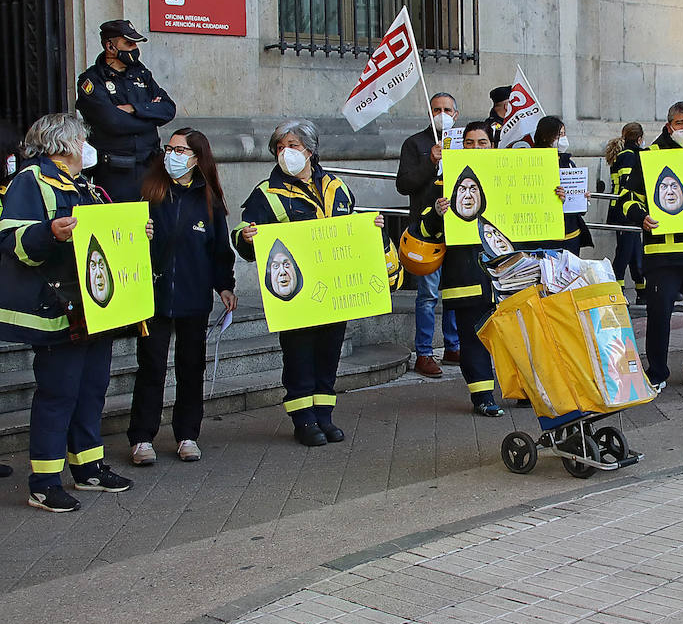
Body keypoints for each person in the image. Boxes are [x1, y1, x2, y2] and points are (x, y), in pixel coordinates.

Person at [0, 113, 144, 511]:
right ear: (64, 144)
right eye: (83, 139)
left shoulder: (89, 188)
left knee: (91, 388)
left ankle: (88, 467)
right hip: (57, 307)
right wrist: (50, 232)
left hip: (94, 307)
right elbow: (13, 241)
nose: (87, 146)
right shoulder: (32, 181)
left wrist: (134, 233)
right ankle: (44, 482)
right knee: (58, 394)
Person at [233, 120, 388, 445]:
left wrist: (373, 225)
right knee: (299, 357)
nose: (285, 153)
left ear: (310, 150)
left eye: (292, 146)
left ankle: (324, 416)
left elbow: (353, 232)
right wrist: (246, 237)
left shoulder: (338, 188)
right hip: (295, 296)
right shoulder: (267, 193)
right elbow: (242, 240)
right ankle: (303, 419)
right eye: (279, 147)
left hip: (334, 294)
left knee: (329, 355)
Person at [128, 128, 237, 466]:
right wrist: (137, 234)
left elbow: (220, 249)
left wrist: (225, 285)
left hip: (193, 295)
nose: (172, 155)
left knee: (191, 367)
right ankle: (142, 438)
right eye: (169, 148)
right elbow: (122, 237)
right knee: (151, 367)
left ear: (196, 158)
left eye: (180, 150)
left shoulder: (209, 200)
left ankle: (187, 434)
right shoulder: (149, 191)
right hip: (154, 295)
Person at [614, 100, 683, 391]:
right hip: (663, 255)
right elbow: (625, 199)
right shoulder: (647, 157)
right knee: (659, 316)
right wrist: (641, 216)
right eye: (679, 123)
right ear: (668, 125)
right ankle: (657, 371)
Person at [421, 121, 505, 417]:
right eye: (469, 142)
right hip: (467, 275)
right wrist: (436, 213)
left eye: (482, 142)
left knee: (513, 337)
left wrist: (555, 200)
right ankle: (482, 396)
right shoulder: (443, 184)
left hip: (506, 274)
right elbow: (422, 230)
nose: (475, 148)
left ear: (492, 146)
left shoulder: (510, 177)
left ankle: (520, 390)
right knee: (474, 338)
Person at [396, 92, 462, 379]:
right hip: (427, 232)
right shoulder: (415, 144)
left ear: (456, 114)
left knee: (454, 293)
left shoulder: (465, 142)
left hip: (459, 229)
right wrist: (431, 162)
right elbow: (404, 184)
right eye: (437, 109)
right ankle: (424, 353)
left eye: (448, 109)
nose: (443, 113)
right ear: (429, 113)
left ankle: (453, 346)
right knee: (427, 295)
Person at [75, 20, 177, 202]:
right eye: (129, 43)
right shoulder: (91, 80)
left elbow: (168, 109)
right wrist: (150, 117)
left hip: (151, 166)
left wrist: (133, 109)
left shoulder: (142, 74)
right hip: (116, 172)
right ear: (110, 46)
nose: (134, 48)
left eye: (136, 43)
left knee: (155, 224)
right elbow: (113, 122)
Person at [532, 115, 595, 253]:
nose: (563, 139)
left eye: (564, 134)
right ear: (545, 136)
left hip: (571, 233)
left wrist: (582, 198)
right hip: (546, 236)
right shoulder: (534, 163)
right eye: (559, 135)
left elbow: (580, 210)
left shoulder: (569, 163)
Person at [606, 123, 645, 304]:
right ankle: (618, 290)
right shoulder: (631, 156)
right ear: (639, 138)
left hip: (625, 210)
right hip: (626, 210)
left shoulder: (624, 155)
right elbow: (628, 185)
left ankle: (641, 290)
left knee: (635, 252)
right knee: (624, 252)